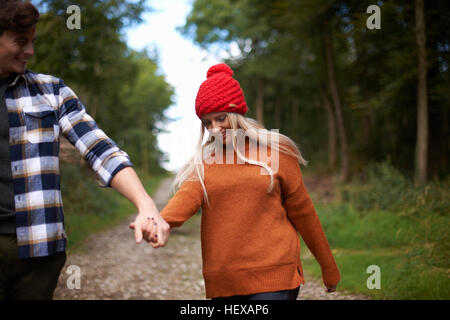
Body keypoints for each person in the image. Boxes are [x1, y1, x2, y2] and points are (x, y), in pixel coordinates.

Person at [0, 0, 169, 300]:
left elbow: (100, 150)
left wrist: (146, 205)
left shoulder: (51, 92)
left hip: (38, 253)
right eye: (20, 41)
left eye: (33, 42)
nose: (30, 51)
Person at [154, 63, 341, 300]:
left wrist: (328, 266)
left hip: (275, 276)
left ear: (236, 114)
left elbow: (303, 212)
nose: (214, 129)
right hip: (224, 281)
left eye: (220, 118)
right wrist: (160, 222)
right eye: (207, 123)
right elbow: (185, 199)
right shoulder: (206, 162)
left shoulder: (275, 152)